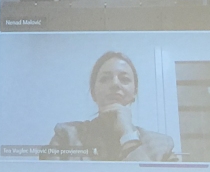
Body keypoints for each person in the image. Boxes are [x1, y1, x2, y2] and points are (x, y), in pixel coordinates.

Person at [42, 51, 178, 162]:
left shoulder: (162, 145)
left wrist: (128, 136)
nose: (115, 84)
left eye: (124, 79)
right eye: (105, 79)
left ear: (134, 93)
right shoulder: (66, 136)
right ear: (93, 93)